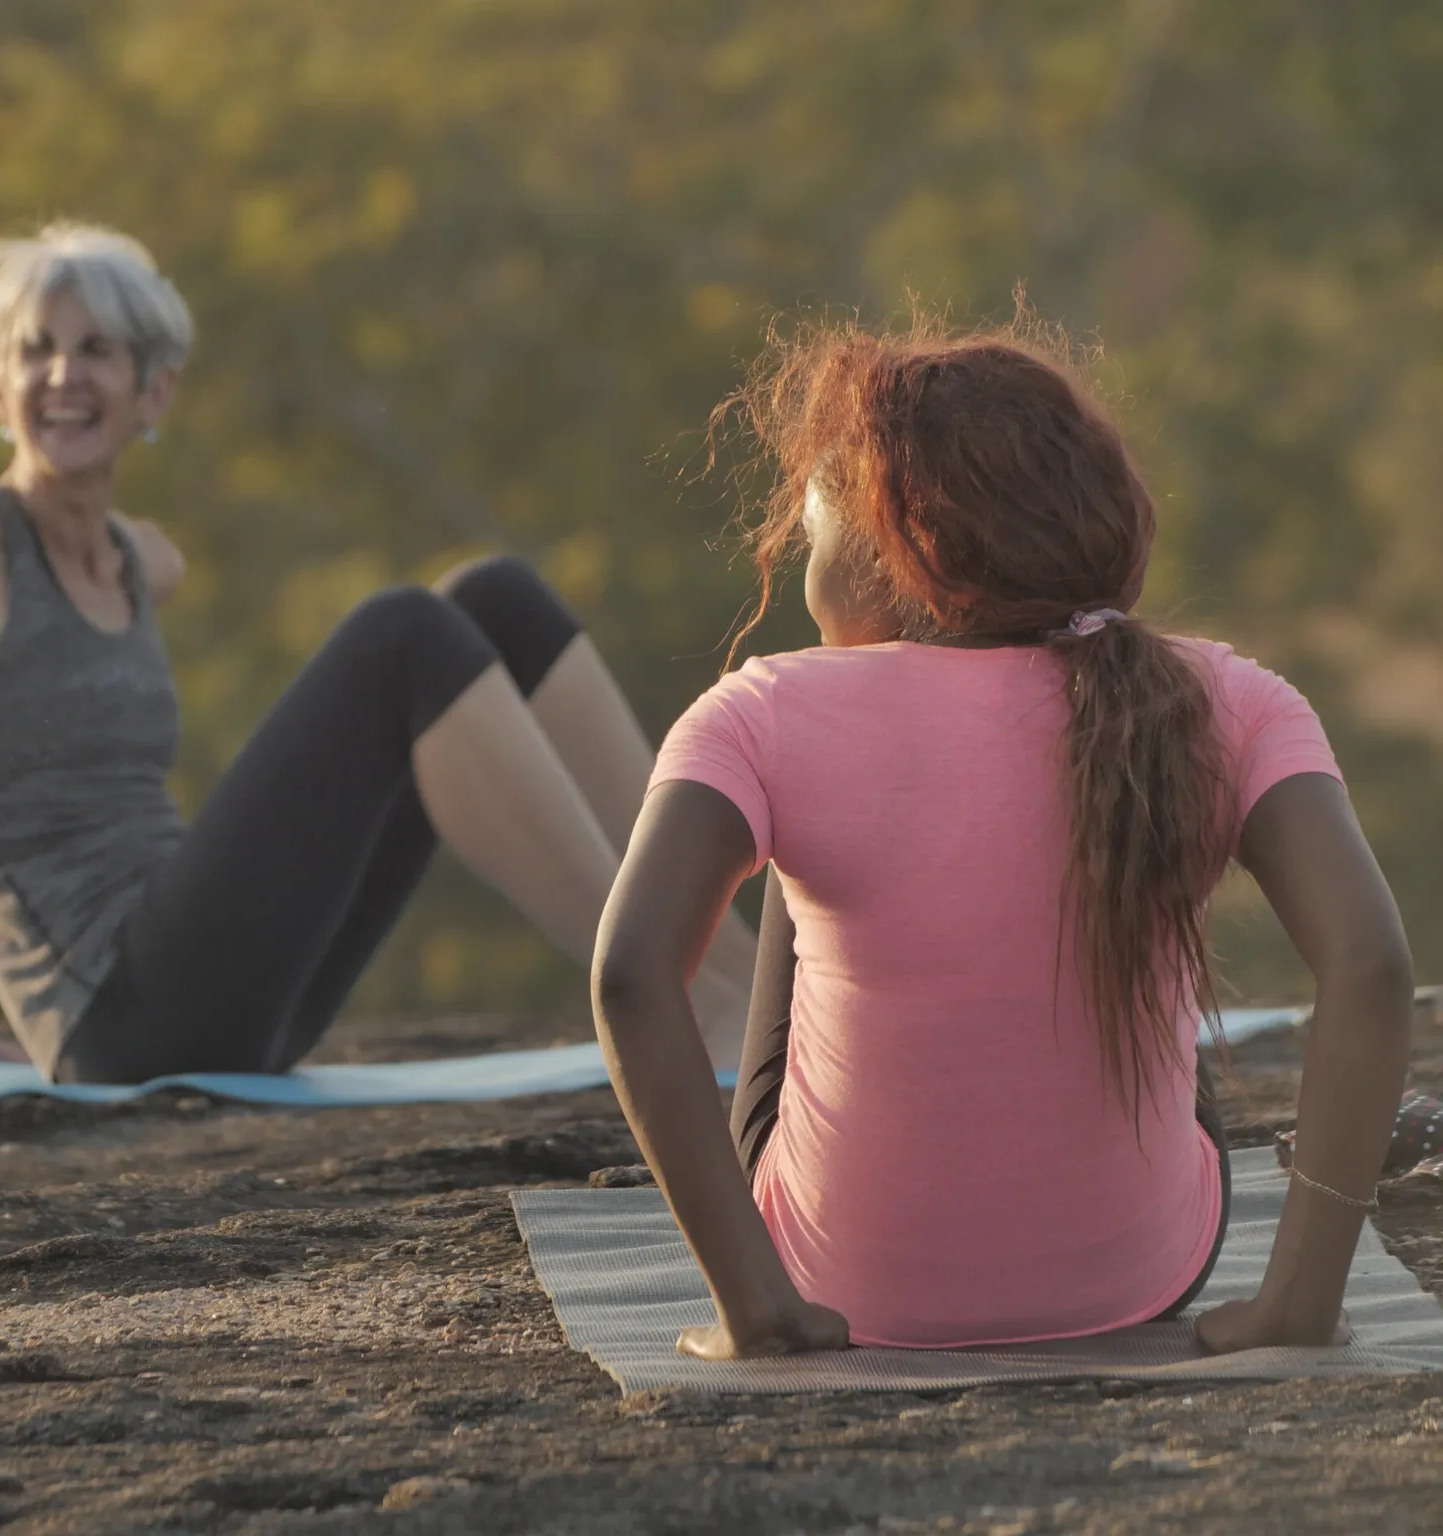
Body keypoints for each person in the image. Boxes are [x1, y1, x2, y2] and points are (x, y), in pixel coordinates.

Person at [0, 221, 760, 1102]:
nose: (62, 375)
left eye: (95, 350)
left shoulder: (140, 561)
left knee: (496, 599)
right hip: (116, 1021)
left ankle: (748, 983)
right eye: (34, 350)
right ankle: (665, 1000)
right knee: (404, 636)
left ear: (152, 392)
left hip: (241, 997)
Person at [592, 318, 1414, 1356]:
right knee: (1127, 892)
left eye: (810, 543)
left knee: (797, 851)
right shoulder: (1224, 697)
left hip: (838, 1286)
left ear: (887, 553)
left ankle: (757, 1292)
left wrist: (754, 1313)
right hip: (1143, 1274)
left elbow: (630, 975)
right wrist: (1295, 1308)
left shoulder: (766, 712)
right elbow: (1372, 965)